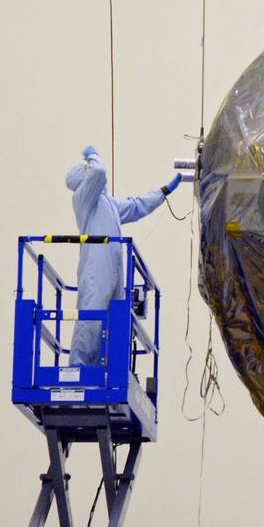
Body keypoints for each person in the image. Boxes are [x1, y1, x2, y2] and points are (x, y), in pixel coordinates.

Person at [66, 146, 181, 367]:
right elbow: (99, 172)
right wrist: (92, 155)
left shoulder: (107, 203)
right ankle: (78, 364)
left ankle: (105, 365)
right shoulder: (83, 199)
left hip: (114, 268)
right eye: (87, 169)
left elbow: (136, 206)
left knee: (114, 317)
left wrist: (164, 191)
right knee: (92, 311)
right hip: (96, 265)